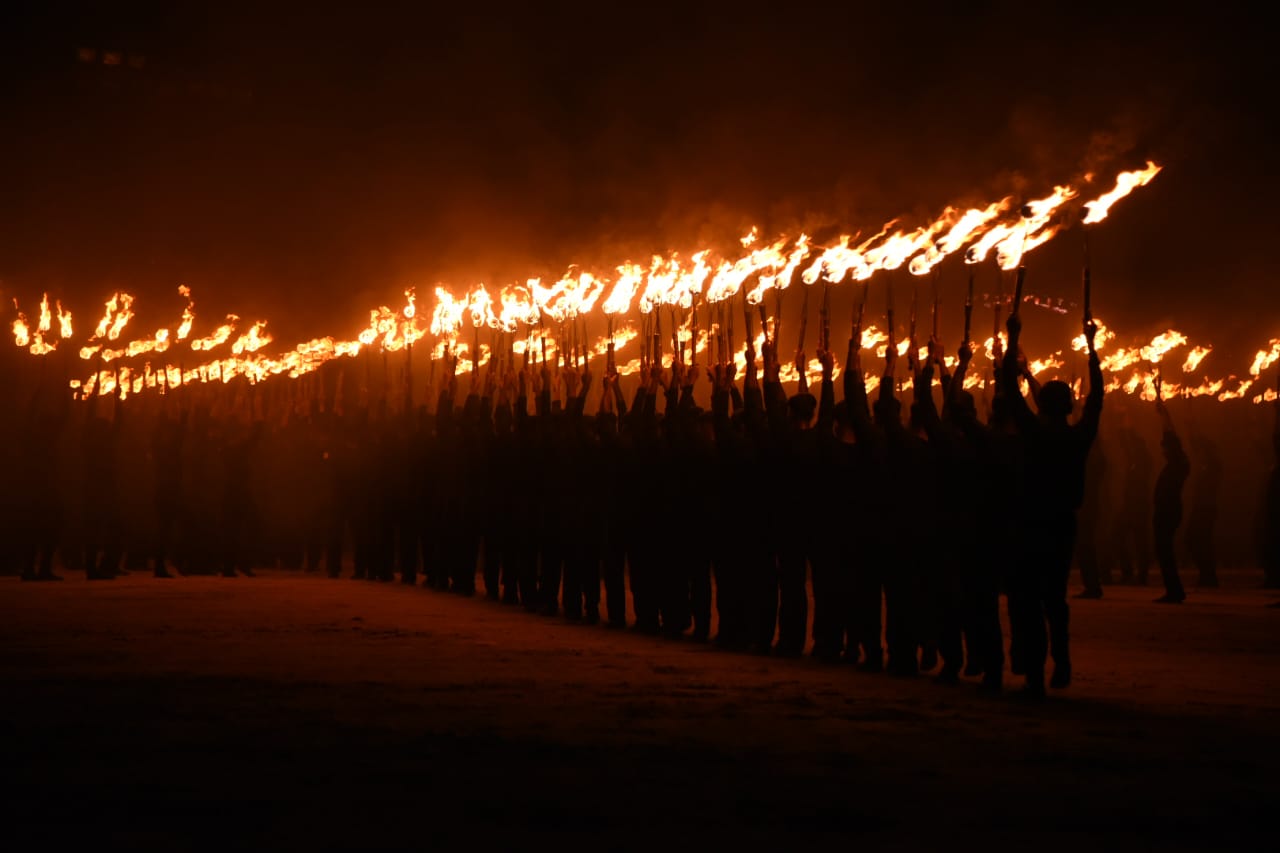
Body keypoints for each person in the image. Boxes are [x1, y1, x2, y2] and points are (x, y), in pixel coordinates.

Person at [1003, 309, 1103, 698]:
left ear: (1041, 406)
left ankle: (1034, 673)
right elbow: (1096, 400)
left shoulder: (1033, 434)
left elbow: (1010, 394)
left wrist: (1013, 340)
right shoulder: (1079, 438)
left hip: (1030, 523)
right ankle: (1060, 659)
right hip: (1062, 524)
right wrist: (1092, 347)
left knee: (1027, 600)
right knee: (1054, 599)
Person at [1150, 377, 1189, 604]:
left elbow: (1172, 438)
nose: (1162, 450)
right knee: (1163, 551)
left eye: (1165, 448)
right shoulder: (1177, 464)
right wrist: (1163, 415)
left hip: (1169, 511)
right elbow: (1171, 440)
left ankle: (1174, 591)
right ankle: (1173, 589)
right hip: (1167, 511)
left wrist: (1165, 417)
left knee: (1165, 551)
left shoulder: (1178, 465)